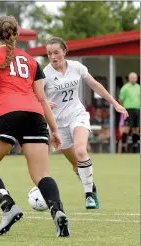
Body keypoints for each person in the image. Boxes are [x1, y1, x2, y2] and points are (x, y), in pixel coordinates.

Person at [0, 16, 70, 237]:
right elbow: (42, 99)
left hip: (7, 114)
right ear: (17, 34)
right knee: (42, 175)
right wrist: (54, 129)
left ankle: (8, 206)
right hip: (35, 116)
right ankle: (58, 211)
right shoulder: (32, 62)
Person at [43, 37, 128, 209]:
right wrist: (43, 102)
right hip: (58, 124)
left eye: (56, 52)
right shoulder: (45, 74)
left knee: (81, 150)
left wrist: (116, 103)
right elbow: (34, 95)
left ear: (64, 51)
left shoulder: (76, 67)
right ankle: (92, 187)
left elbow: (95, 85)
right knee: (76, 165)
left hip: (77, 115)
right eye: (49, 54)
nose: (53, 57)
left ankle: (88, 194)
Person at [119, 72, 140, 153]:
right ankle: (124, 148)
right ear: (129, 78)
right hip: (128, 110)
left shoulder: (139, 87)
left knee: (136, 129)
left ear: (137, 78)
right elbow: (120, 99)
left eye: (135, 77)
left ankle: (135, 148)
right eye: (132, 77)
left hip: (137, 110)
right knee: (126, 129)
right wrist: (123, 109)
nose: (133, 79)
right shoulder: (125, 88)